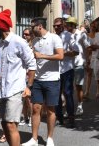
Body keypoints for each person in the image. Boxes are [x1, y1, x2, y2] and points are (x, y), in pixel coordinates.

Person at [0, 9, 36, 146]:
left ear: (1, 27)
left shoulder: (19, 42)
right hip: (1, 90)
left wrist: (29, 87)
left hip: (15, 89)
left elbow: (32, 64)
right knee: (4, 123)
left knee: (11, 125)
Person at [23, 17, 64, 146]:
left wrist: (42, 56)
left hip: (52, 80)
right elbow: (33, 61)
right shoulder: (34, 41)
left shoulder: (54, 38)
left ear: (40, 26)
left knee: (51, 110)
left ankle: (50, 138)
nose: (31, 29)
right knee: (35, 109)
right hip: (38, 80)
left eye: (33, 27)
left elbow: (60, 56)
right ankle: (34, 139)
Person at [54, 17, 78, 128]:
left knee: (68, 93)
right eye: (54, 25)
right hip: (55, 70)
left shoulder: (69, 36)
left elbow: (76, 51)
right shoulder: (52, 37)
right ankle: (59, 118)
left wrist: (64, 53)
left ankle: (71, 117)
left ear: (63, 25)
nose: (56, 27)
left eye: (58, 25)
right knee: (56, 95)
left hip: (67, 69)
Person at [20, 28, 35, 128]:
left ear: (31, 36)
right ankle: (24, 116)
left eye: (27, 34)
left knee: (29, 98)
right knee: (23, 98)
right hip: (21, 74)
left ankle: (31, 118)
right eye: (23, 34)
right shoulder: (21, 45)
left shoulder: (33, 47)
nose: (25, 36)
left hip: (29, 74)